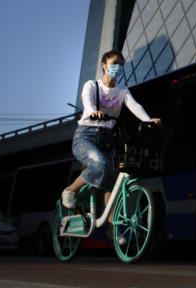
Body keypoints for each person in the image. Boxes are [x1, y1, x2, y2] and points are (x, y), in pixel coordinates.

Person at [61, 51, 161, 212]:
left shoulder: (122, 90)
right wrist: (92, 111)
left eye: (121, 65)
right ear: (104, 65)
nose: (118, 67)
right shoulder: (92, 85)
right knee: (100, 164)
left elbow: (134, 105)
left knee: (112, 184)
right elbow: (87, 100)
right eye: (114, 63)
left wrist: (148, 120)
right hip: (86, 136)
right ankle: (70, 190)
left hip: (107, 140)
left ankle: (112, 226)